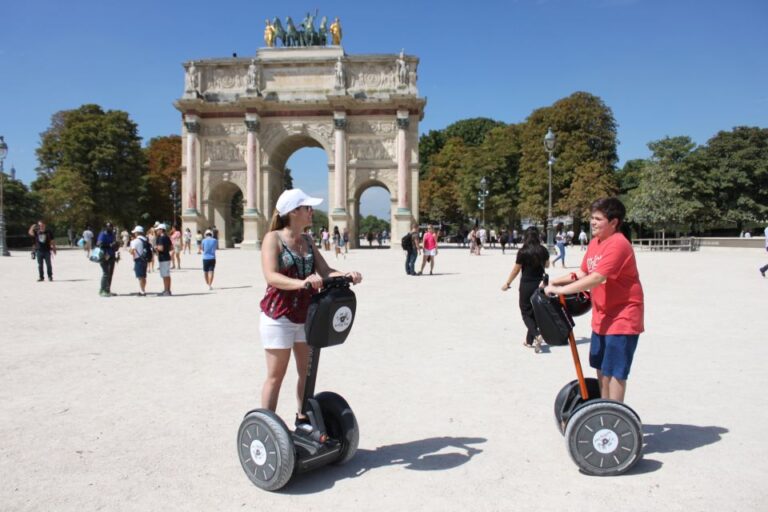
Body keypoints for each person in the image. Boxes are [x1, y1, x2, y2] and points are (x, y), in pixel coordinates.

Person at [259, 188, 362, 422]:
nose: (311, 211)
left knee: (306, 372)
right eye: (307, 207)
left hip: (305, 315)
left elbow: (325, 271)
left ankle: (303, 417)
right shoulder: (272, 238)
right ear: (294, 212)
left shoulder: (307, 240)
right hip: (278, 316)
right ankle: (266, 426)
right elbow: (271, 276)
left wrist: (347, 274)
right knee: (276, 375)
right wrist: (302, 282)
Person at [545, 197, 644, 403]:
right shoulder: (594, 243)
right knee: (601, 367)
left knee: (615, 372)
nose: (593, 222)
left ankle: (613, 414)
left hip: (622, 317)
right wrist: (553, 283)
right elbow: (582, 273)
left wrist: (558, 291)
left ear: (614, 222)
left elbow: (598, 277)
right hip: (602, 316)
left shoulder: (618, 244)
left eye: (598, 219)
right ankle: (603, 409)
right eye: (592, 218)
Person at [501, 227, 550, 352]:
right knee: (535, 311)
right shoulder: (543, 250)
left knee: (525, 311)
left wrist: (507, 283)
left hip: (526, 284)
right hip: (540, 284)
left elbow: (516, 269)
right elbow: (547, 265)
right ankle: (529, 341)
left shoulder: (523, 251)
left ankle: (537, 334)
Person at [96, 222, 120, 297]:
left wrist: (116, 246)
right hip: (104, 255)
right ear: (106, 227)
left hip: (111, 255)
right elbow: (99, 244)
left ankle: (107, 289)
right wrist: (109, 245)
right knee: (106, 273)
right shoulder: (103, 234)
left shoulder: (112, 235)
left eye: (111, 227)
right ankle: (102, 290)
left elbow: (114, 245)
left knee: (110, 274)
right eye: (108, 227)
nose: (110, 228)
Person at [128, 226, 149, 296]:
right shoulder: (145, 239)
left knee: (140, 276)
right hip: (145, 259)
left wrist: (130, 250)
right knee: (144, 276)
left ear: (137, 233)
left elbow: (132, 251)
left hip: (139, 259)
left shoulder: (135, 241)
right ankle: (143, 289)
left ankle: (142, 291)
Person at [154, 224, 173, 296]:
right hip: (167, 257)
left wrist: (155, 248)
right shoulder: (167, 237)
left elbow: (161, 248)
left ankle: (166, 291)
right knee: (167, 275)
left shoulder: (161, 238)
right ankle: (167, 290)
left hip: (163, 258)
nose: (157, 231)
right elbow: (171, 247)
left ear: (161, 230)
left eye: (158, 229)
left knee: (165, 275)